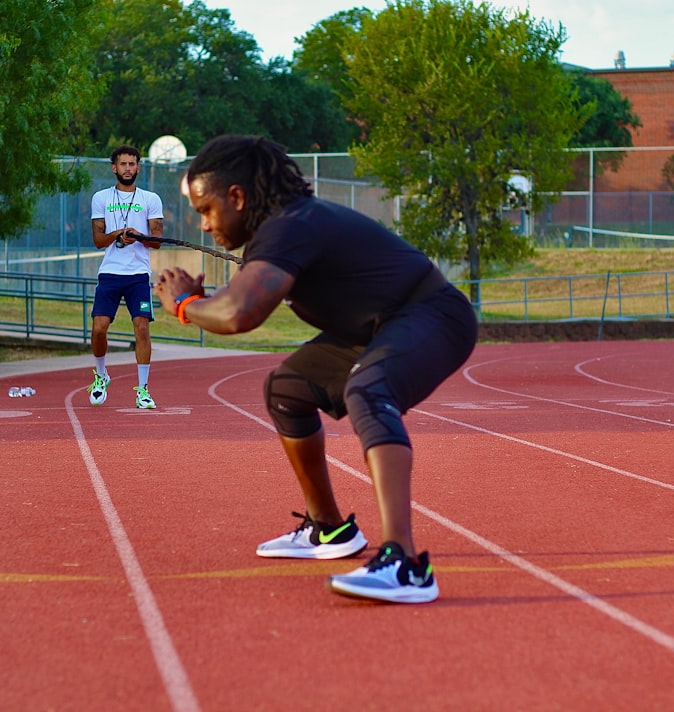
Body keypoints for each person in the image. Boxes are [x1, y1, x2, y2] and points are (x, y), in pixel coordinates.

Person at [153, 135, 478, 604]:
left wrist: (183, 305)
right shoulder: (280, 229)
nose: (203, 225)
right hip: (380, 326)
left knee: (368, 390)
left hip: (434, 316)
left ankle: (405, 564)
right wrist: (196, 303)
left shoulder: (292, 226)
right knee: (287, 388)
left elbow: (239, 315)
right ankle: (328, 529)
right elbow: (232, 303)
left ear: (238, 197)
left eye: (207, 209)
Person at [88, 145, 164, 409]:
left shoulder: (150, 199)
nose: (128, 169)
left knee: (142, 327)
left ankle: (142, 389)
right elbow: (98, 240)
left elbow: (157, 240)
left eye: (132, 164)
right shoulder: (101, 198)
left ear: (138, 167)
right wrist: (118, 233)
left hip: (138, 275)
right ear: (114, 168)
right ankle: (101, 376)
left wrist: (138, 236)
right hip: (110, 273)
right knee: (99, 328)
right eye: (123, 164)